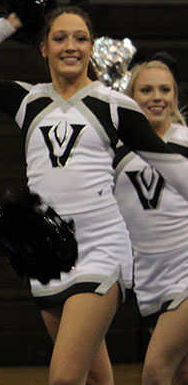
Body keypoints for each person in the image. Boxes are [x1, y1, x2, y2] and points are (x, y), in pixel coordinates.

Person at [0, 7, 188, 385]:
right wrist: (12, 22)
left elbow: (171, 166)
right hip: (46, 255)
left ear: (91, 47)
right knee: (95, 379)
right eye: (60, 38)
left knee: (64, 378)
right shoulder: (26, 99)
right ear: (43, 48)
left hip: (102, 248)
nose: (71, 46)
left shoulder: (114, 105)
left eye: (81, 38)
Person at [113, 57, 188, 385]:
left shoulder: (185, 141)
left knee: (156, 372)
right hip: (148, 280)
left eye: (165, 89)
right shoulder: (114, 149)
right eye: (146, 90)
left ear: (175, 95)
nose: (157, 96)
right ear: (131, 95)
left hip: (185, 274)